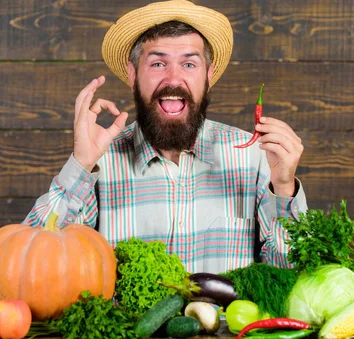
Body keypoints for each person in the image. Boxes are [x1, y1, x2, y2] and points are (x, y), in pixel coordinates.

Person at [22, 0, 307, 274]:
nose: (173, 78)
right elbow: (30, 262)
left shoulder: (254, 157)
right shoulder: (100, 163)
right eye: (158, 64)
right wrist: (80, 165)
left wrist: (282, 189)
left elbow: (290, 277)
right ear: (133, 75)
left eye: (189, 64)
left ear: (208, 76)